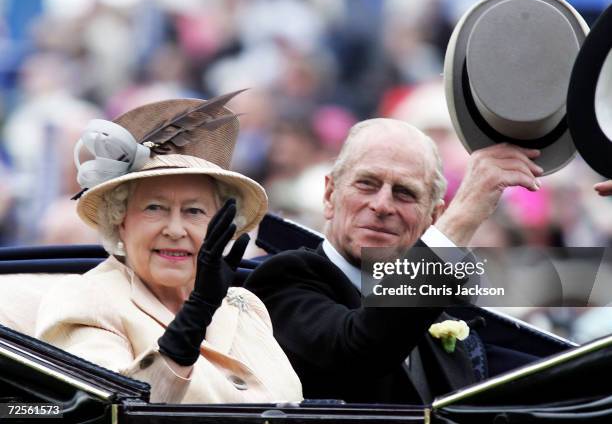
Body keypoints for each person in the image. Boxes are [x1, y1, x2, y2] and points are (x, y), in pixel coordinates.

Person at [245, 118, 542, 403]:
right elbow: (361, 350)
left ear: (433, 217)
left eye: (405, 193)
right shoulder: (282, 279)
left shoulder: (439, 315)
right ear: (329, 194)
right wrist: (466, 212)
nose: (382, 205)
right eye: (367, 184)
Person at [35, 93, 302, 403]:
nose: (175, 230)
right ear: (119, 220)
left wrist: (374, 258)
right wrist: (197, 313)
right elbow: (113, 409)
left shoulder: (245, 305)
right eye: (154, 208)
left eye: (194, 211)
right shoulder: (86, 299)